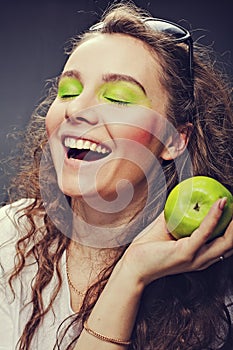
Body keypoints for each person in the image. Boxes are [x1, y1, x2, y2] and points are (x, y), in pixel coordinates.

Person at [1, 2, 233, 349]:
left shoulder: (216, 290)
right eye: (68, 91)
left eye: (118, 98)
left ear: (173, 139)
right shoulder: (8, 238)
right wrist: (131, 277)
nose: (76, 109)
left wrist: (133, 271)